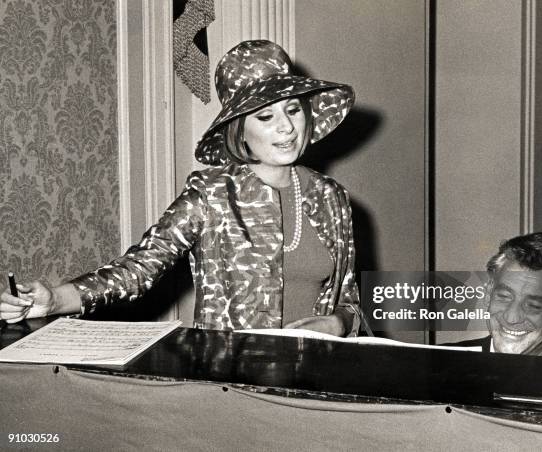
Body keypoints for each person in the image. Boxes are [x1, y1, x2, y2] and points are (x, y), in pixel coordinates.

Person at [0, 40, 360, 336]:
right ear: (239, 130)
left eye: (293, 110)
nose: (286, 128)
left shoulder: (332, 198)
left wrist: (338, 322)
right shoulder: (211, 194)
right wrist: (54, 301)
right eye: (265, 116)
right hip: (234, 388)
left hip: (317, 379)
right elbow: (138, 270)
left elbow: (348, 300)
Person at [452, 232, 542, 356]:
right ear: (488, 295)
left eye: (533, 306)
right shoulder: (440, 363)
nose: (511, 318)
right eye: (504, 297)